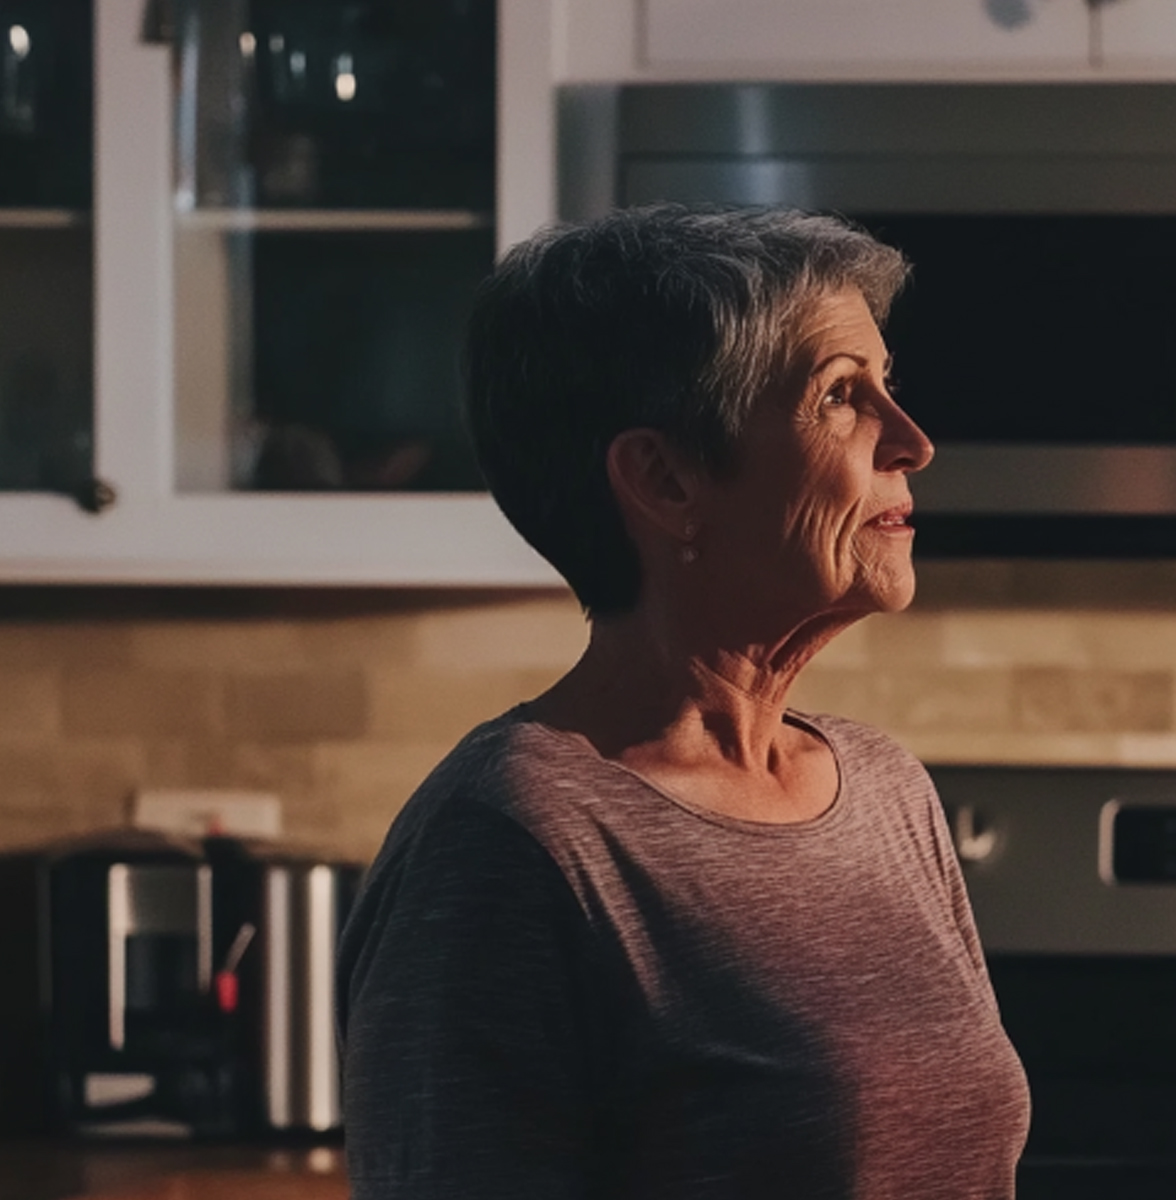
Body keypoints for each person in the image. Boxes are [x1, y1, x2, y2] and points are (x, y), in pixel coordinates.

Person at [335, 206, 1028, 1199]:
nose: (912, 442)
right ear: (665, 480)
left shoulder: (884, 791)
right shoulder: (511, 843)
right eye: (841, 397)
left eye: (891, 387)